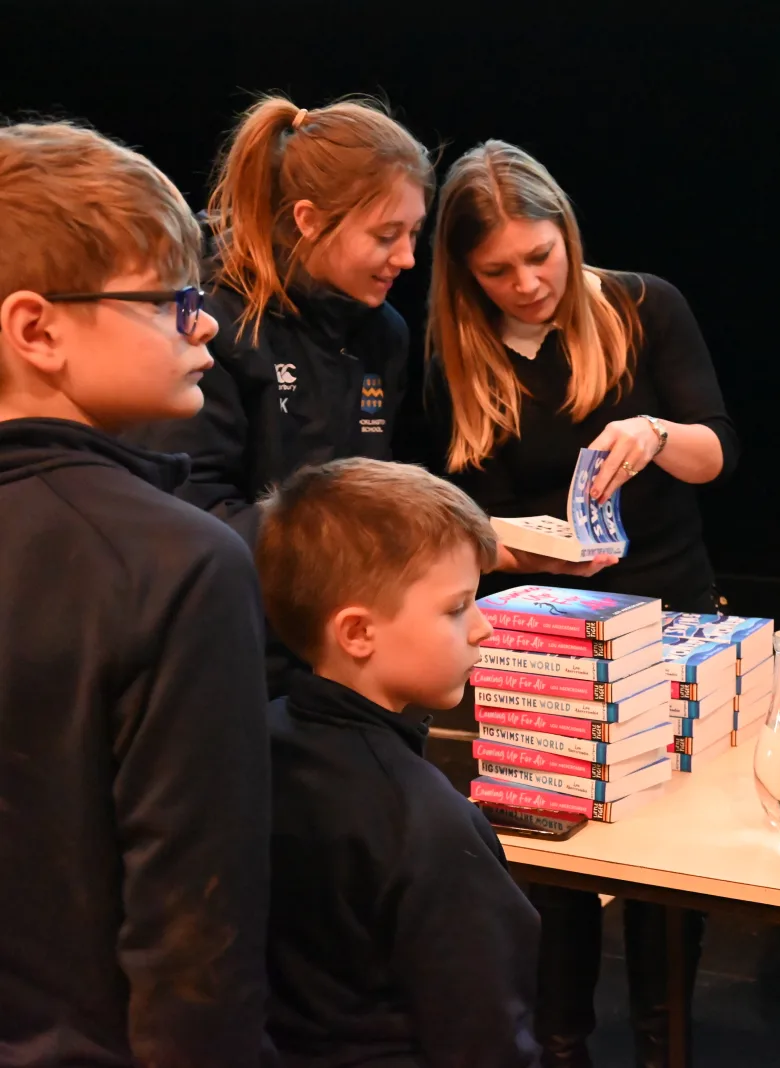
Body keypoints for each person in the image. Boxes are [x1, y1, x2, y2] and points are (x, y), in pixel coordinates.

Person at [422, 140, 739, 1068]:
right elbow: (447, 510)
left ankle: (661, 1042)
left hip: (670, 616)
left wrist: (655, 432)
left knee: (664, 866)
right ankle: (557, 1044)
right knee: (550, 869)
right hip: (538, 634)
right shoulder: (458, 350)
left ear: (567, 232)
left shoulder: (644, 305)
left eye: (540, 257)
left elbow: (717, 449)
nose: (525, 284)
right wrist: (519, 544)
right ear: (465, 273)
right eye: (498, 271)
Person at [0, 121, 271, 1065]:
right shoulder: (179, 564)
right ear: (37, 329)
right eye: (170, 299)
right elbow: (196, 945)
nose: (204, 323)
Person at [130, 94, 433, 694]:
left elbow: (368, 481)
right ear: (308, 220)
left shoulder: (383, 332)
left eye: (414, 232)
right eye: (386, 235)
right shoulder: (207, 324)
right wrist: (368, 534)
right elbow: (198, 526)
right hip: (230, 665)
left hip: (344, 655)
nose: (407, 258)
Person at [254, 457, 543, 1065]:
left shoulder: (246, 747)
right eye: (456, 607)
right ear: (358, 632)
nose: (483, 627)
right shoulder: (425, 822)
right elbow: (483, 1035)